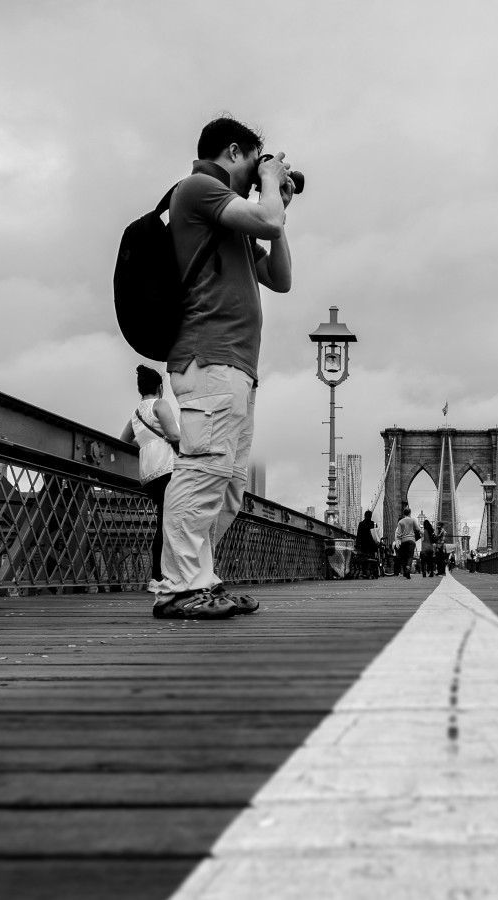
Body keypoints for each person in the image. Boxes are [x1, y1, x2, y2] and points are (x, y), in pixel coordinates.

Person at [152, 115, 296, 620]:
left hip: (236, 365)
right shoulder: (198, 189)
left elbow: (280, 279)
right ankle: (178, 587)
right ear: (234, 152)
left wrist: (278, 205)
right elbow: (268, 217)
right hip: (208, 355)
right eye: (257, 163)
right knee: (204, 469)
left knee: (230, 482)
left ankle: (200, 579)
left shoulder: (233, 222)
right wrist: (271, 191)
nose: (261, 176)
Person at [118, 366, 180, 583]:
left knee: (164, 522)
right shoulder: (161, 404)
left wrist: (147, 443)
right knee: (171, 524)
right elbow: (173, 434)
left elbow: (124, 441)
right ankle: (162, 577)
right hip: (167, 469)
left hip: (149, 474)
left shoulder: (136, 414)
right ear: (160, 387)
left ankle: (160, 575)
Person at [394, 506, 418, 579]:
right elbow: (418, 529)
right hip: (411, 540)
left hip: (403, 541)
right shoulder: (413, 520)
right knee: (410, 556)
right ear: (410, 513)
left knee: (404, 557)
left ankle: (405, 571)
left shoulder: (400, 521)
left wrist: (398, 542)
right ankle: (408, 568)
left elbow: (398, 534)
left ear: (404, 514)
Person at [354, 511, 380, 579]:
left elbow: (358, 535)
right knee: (372, 558)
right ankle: (370, 572)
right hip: (372, 545)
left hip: (363, 545)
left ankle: (364, 572)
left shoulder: (361, 524)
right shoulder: (374, 524)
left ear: (364, 516)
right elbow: (376, 536)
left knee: (364, 558)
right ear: (371, 516)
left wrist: (357, 545)